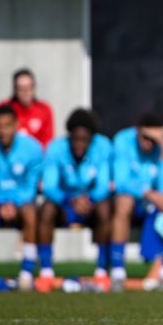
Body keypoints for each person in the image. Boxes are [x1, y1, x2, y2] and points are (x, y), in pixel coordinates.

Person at [36, 109, 113, 292]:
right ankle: (46, 272)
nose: (79, 144)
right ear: (69, 136)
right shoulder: (56, 148)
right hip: (64, 205)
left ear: (92, 139)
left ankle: (102, 271)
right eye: (75, 139)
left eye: (84, 139)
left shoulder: (103, 147)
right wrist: (70, 200)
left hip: (90, 205)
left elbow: (103, 185)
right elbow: (50, 186)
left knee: (105, 209)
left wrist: (89, 199)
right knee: (46, 209)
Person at [0, 105, 44, 291]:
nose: (3, 131)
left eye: (7, 125)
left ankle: (26, 275)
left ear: (17, 125)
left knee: (31, 213)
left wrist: (12, 202)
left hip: (20, 206)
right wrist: (1, 202)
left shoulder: (32, 148)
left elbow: (30, 187)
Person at [112, 113, 163, 291]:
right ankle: (117, 272)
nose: (149, 143)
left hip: (155, 207)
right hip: (134, 203)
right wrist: (149, 193)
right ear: (138, 132)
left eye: (153, 139)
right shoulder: (123, 141)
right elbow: (121, 181)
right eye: (145, 137)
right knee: (124, 201)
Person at [0, 68, 55, 148]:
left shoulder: (44, 110)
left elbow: (47, 142)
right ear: (15, 89)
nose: (26, 92)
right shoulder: (5, 107)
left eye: (29, 87)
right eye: (21, 88)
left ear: (34, 88)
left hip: (33, 154)